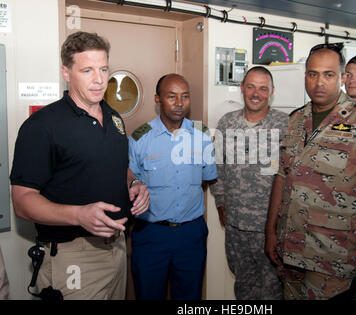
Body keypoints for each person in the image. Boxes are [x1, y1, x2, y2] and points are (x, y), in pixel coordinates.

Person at [9, 31, 149, 300]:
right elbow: (22, 201)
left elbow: (119, 167)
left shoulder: (114, 117)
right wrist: (79, 215)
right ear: (66, 71)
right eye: (87, 70)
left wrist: (134, 183)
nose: (99, 80)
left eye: (103, 69)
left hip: (117, 247)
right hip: (74, 253)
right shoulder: (42, 126)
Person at [265, 43, 356, 300]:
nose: (319, 82)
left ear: (341, 78)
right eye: (313, 74)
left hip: (333, 257)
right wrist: (271, 231)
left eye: (328, 75)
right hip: (291, 249)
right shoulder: (296, 119)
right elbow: (282, 176)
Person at [128, 73, 217, 300]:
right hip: (151, 234)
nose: (180, 103)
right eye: (172, 96)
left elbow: (206, 178)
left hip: (190, 234)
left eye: (185, 97)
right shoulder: (140, 139)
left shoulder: (202, 135)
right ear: (158, 100)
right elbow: (129, 182)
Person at [210, 66, 287, 300]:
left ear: (271, 92)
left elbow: (292, 176)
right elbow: (217, 165)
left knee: (273, 288)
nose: (256, 93)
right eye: (251, 87)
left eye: (263, 88)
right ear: (242, 88)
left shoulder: (286, 125)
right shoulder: (227, 122)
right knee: (243, 286)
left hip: (271, 228)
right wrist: (221, 201)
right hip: (236, 227)